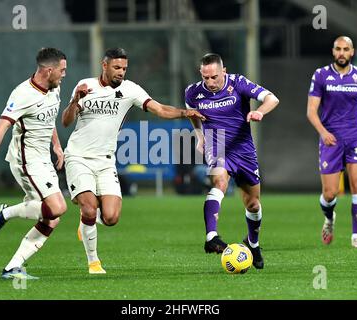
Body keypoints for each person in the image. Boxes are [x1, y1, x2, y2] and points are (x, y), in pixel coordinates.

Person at [61, 47, 205, 274]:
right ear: (104, 65)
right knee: (89, 209)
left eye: (124, 68)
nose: (121, 72)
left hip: (106, 161)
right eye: (117, 67)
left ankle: (87, 221)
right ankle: (94, 262)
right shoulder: (86, 86)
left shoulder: (130, 89)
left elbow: (159, 109)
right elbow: (66, 121)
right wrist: (75, 100)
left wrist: (184, 113)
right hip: (78, 157)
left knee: (110, 217)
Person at [0, 48, 68, 279]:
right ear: (48, 70)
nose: (65, 74)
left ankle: (12, 268)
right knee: (57, 208)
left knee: (51, 220)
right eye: (62, 70)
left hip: (43, 158)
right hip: (26, 160)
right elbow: (1, 127)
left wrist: (56, 145)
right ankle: (5, 213)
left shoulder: (54, 88)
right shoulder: (23, 94)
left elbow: (49, 116)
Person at [185, 53, 279, 269]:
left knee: (253, 204)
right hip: (216, 145)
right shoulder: (192, 92)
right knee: (219, 182)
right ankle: (211, 237)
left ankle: (253, 244)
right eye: (205, 78)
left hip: (244, 150)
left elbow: (272, 98)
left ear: (224, 71)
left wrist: (259, 112)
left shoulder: (238, 83)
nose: (209, 82)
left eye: (214, 77)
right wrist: (200, 137)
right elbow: (193, 114)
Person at [307, 36, 357, 248]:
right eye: (338, 49)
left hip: (355, 137)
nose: (341, 53)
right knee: (329, 194)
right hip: (330, 139)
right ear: (333, 52)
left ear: (352, 52)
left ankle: (356, 237)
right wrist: (322, 132)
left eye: (345, 49)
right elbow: (311, 111)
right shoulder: (321, 75)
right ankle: (329, 218)